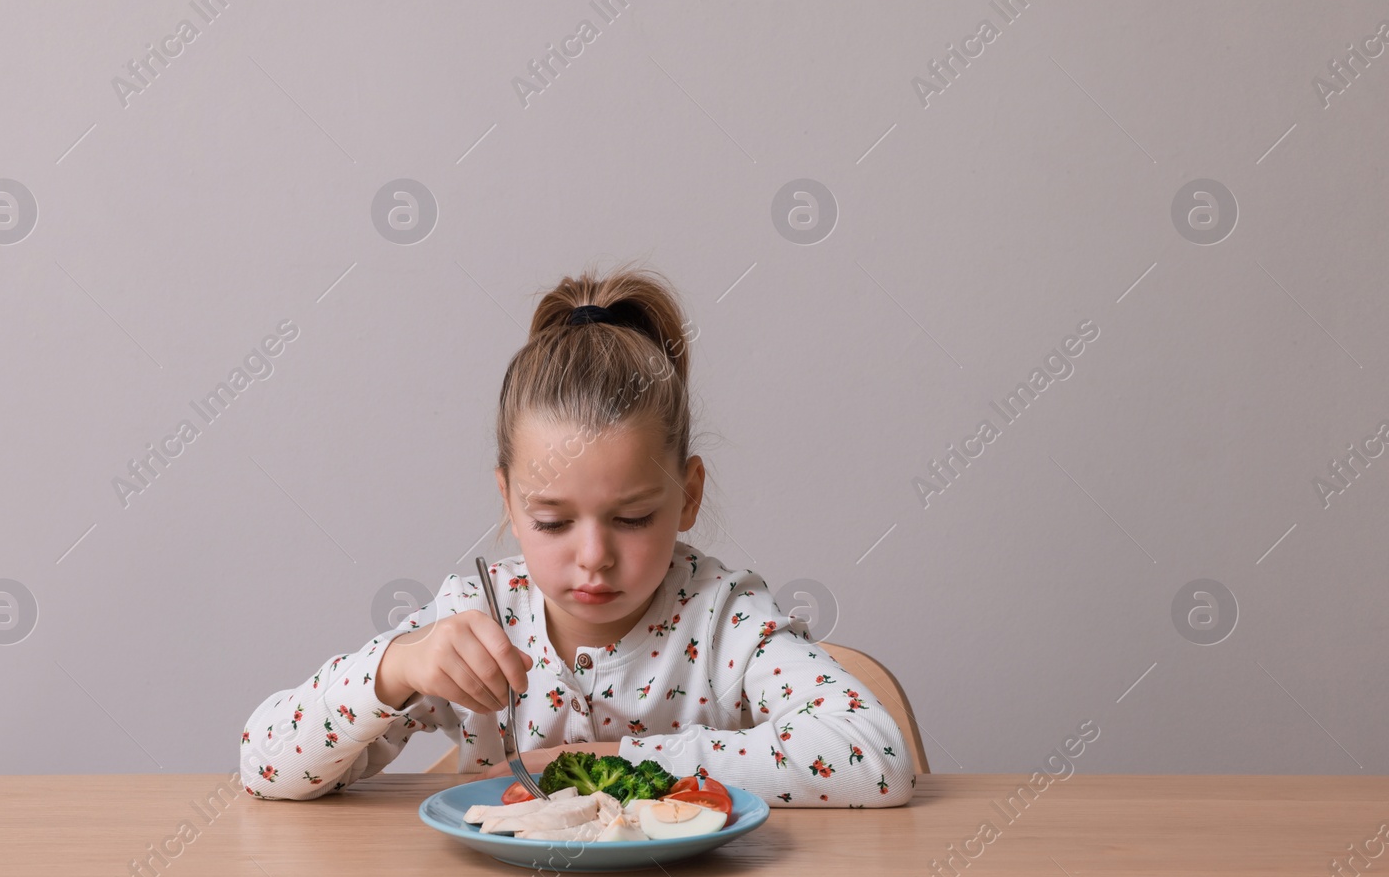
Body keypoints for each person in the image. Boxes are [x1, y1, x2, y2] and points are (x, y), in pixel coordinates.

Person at [238, 261, 916, 808]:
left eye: (632, 517)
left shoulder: (722, 619)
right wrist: (395, 667)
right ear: (507, 497)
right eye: (553, 521)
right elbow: (263, 763)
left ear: (688, 495)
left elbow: (877, 757)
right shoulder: (480, 619)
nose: (593, 556)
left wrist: (607, 763)